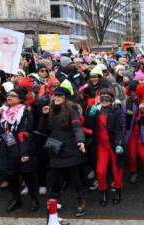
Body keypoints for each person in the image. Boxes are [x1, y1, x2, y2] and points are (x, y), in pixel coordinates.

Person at [39, 86, 86, 217]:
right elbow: (42, 131)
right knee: (53, 181)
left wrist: (80, 140)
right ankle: (54, 204)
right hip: (55, 150)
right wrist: (43, 116)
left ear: (65, 98)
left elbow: (77, 127)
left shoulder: (72, 111)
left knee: (76, 180)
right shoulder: (49, 110)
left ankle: (80, 201)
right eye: (55, 95)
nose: (57, 98)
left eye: (60, 96)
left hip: (70, 150)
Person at [0, 88, 39, 212]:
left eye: (13, 96)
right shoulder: (4, 111)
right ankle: (16, 199)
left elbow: (24, 133)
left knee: (28, 176)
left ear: (20, 99)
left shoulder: (25, 112)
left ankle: (34, 199)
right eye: (8, 95)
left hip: (22, 149)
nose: (9, 97)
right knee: (11, 176)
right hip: (7, 148)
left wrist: (24, 152)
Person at [85, 88, 125, 207]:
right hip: (101, 146)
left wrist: (118, 144)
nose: (105, 99)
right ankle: (103, 192)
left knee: (117, 170)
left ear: (112, 99)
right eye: (102, 96)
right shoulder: (95, 110)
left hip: (113, 145)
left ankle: (118, 190)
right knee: (100, 171)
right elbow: (88, 126)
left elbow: (119, 129)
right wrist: (90, 115)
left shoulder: (116, 110)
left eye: (107, 96)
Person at [125, 81, 144, 185]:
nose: (133, 96)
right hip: (131, 132)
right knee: (132, 154)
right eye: (131, 93)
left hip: (143, 130)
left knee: (143, 154)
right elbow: (125, 118)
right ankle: (133, 172)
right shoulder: (128, 102)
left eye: (135, 93)